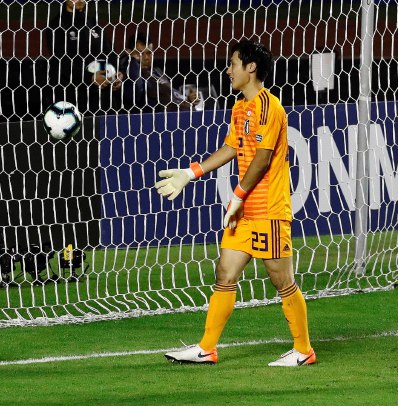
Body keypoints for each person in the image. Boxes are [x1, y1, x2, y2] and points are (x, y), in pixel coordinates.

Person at [156, 39, 315, 367]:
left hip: (268, 209)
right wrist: (191, 172)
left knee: (281, 280)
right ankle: (206, 348)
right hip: (243, 211)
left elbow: (261, 158)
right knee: (225, 273)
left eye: (233, 64)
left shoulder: (269, 107)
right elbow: (232, 147)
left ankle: (303, 350)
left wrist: (237, 197)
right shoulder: (240, 107)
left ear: (251, 68)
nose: (228, 70)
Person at [45, 0, 123, 113]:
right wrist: (90, 78)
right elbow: (63, 62)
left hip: (100, 97)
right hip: (72, 98)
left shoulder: (92, 23)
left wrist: (119, 72)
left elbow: (110, 52)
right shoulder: (57, 26)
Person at [120, 33, 201, 112]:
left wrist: (188, 100)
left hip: (177, 116)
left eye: (149, 53)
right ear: (130, 53)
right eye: (140, 53)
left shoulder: (157, 72)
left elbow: (172, 98)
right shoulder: (127, 75)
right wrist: (133, 61)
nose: (146, 58)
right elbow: (135, 93)